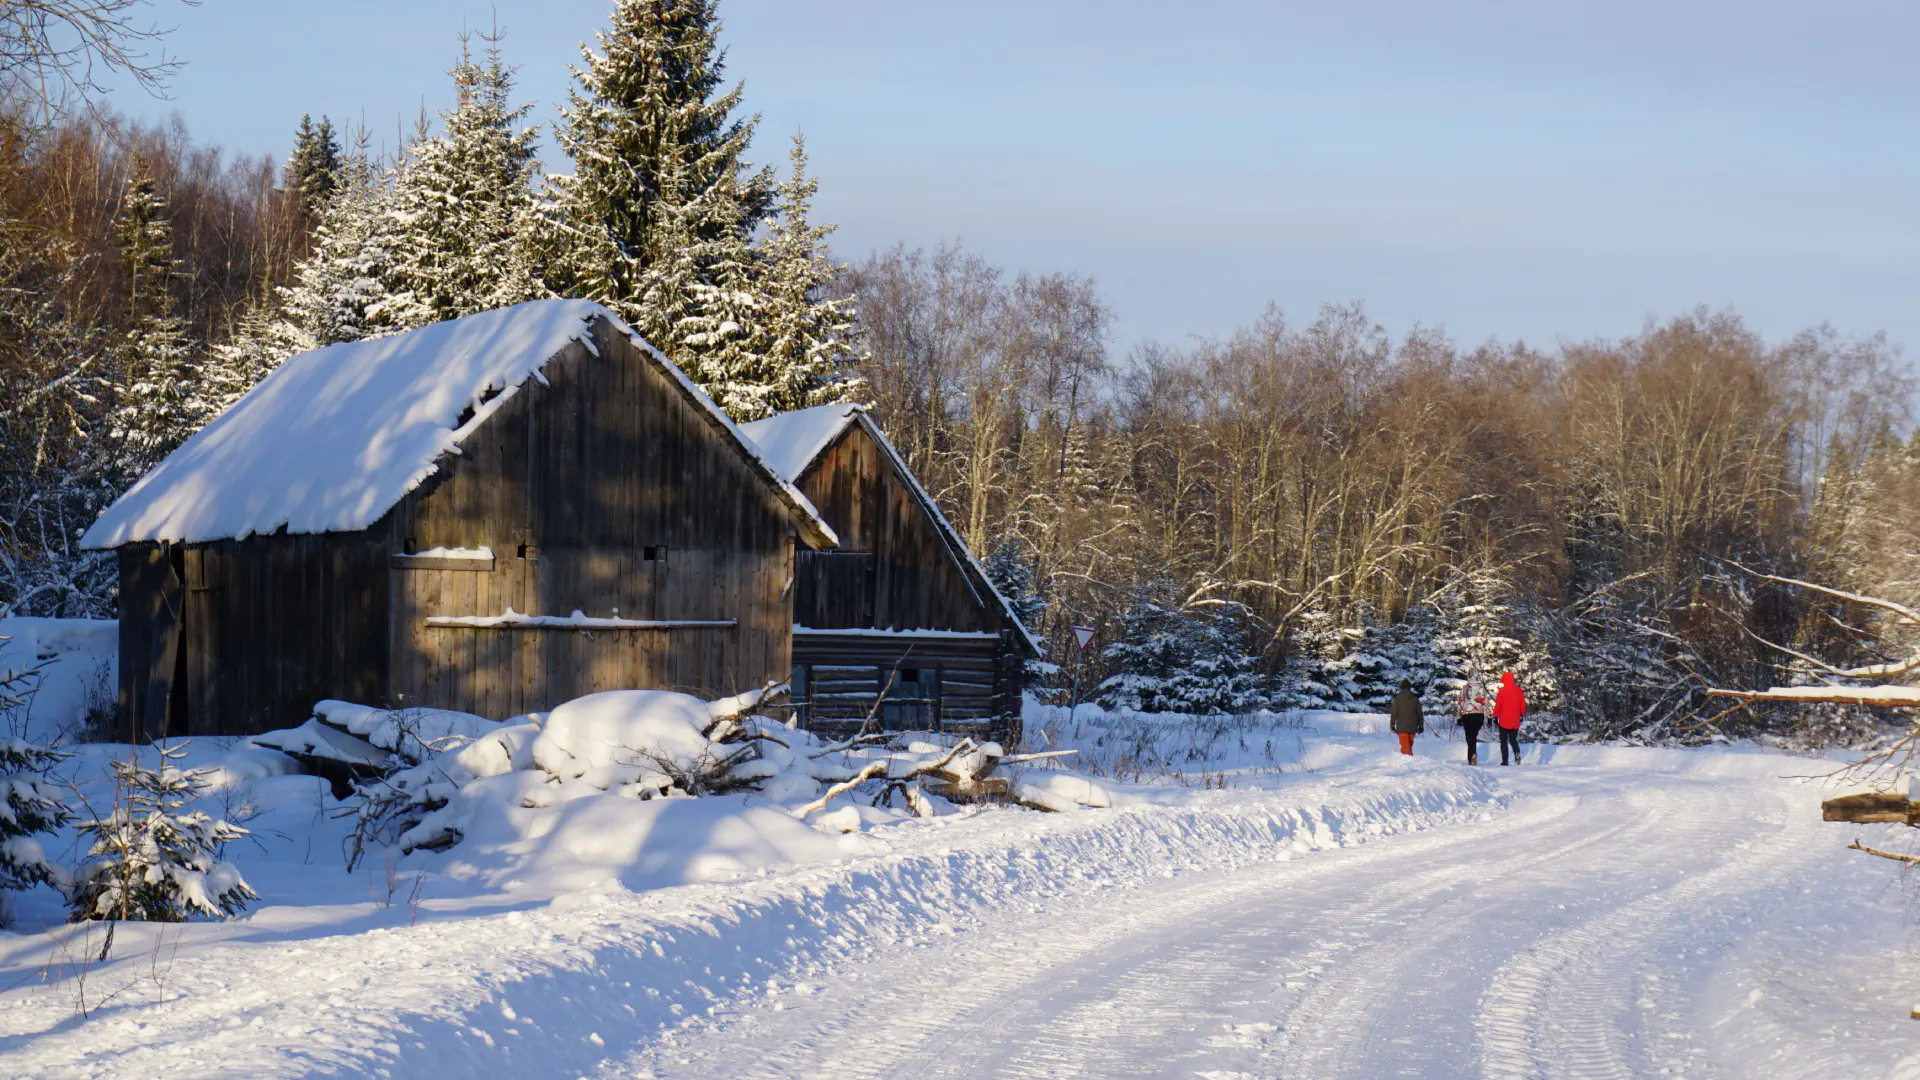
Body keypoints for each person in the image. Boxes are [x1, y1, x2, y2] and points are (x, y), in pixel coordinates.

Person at [1456, 666, 1490, 765]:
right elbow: (1486, 703)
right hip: (1479, 715)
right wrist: (1489, 716)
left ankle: (1472, 755)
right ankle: (1473, 755)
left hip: (1467, 715)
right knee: (1473, 735)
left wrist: (1459, 717)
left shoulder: (1465, 688)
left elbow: (1460, 703)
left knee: (1469, 737)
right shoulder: (1481, 688)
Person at [1493, 670, 1527, 765]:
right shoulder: (1519, 691)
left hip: (1504, 720)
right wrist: (1521, 715)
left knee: (1503, 741)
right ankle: (1516, 753)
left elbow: (1498, 705)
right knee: (1513, 739)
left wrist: (1495, 716)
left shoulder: (1502, 691)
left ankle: (1505, 760)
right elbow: (1523, 705)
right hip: (1515, 719)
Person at [1388, 679, 1424, 756]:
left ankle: (1407, 763)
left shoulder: (1398, 698)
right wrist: (1421, 726)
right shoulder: (1415, 698)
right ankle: (1409, 762)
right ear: (1409, 688)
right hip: (1413, 727)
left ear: (1401, 688)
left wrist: (1392, 725)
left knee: (1406, 747)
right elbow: (1419, 713)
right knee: (1409, 745)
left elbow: (1394, 713)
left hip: (1402, 727)